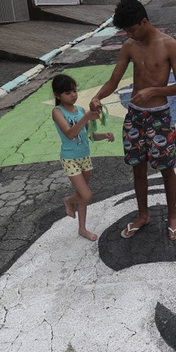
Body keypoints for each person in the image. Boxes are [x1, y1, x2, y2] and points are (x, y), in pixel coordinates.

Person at [90, 0, 176, 240]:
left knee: (167, 168)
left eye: (132, 30)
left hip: (160, 118)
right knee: (138, 169)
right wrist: (97, 97)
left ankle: (172, 216)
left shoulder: (169, 45)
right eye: (126, 31)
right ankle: (143, 215)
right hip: (134, 116)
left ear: (144, 21)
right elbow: (114, 81)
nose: (129, 35)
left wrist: (154, 91)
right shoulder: (129, 46)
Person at [51, 74, 115, 241]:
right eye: (67, 92)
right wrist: (86, 117)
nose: (73, 95)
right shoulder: (57, 112)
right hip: (70, 159)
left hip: (84, 157)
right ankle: (68, 200)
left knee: (82, 196)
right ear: (58, 95)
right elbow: (70, 134)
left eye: (74, 91)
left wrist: (105, 135)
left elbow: (89, 135)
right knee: (85, 195)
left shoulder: (80, 110)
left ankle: (82, 229)